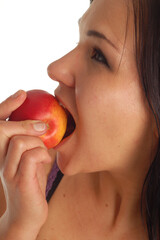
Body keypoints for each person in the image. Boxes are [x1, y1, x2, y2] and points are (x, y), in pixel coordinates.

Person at [0, 0, 160, 239]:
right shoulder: (25, 181)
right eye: (79, 41)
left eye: (98, 56)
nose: (55, 68)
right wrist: (17, 225)